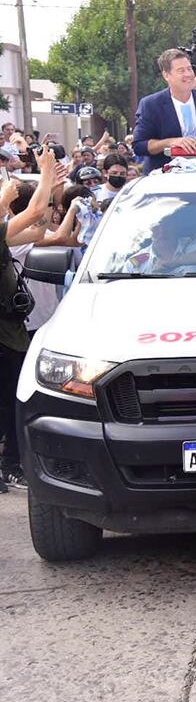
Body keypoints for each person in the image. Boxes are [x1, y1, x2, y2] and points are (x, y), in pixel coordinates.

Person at [0, 148, 57, 489]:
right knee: (8, 405)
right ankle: (10, 464)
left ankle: (10, 464)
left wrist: (48, 189)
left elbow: (38, 230)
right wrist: (46, 173)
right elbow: (34, 211)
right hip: (4, 338)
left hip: (10, 334)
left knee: (10, 403)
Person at [132, 49, 196, 171]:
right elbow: (139, 145)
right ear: (166, 75)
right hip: (164, 177)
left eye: (189, 69)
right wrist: (172, 142)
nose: (188, 74)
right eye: (181, 71)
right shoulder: (150, 104)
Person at [125, 216, 196, 274]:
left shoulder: (193, 244)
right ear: (149, 230)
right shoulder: (135, 262)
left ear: (175, 227)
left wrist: (176, 262)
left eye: (166, 226)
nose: (162, 232)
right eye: (156, 227)